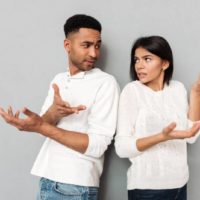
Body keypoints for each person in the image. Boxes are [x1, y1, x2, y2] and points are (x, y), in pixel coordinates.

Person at [0, 14, 119, 200]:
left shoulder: (106, 83)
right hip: (47, 177)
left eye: (97, 45)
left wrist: (42, 126)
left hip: (75, 186)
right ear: (67, 45)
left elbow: (98, 145)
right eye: (86, 45)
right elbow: (43, 125)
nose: (94, 53)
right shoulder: (59, 80)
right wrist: (51, 115)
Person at [115, 36, 200, 200]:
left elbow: (191, 136)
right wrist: (161, 137)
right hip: (148, 190)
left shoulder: (177, 89)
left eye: (147, 59)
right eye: (136, 60)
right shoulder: (132, 91)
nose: (139, 65)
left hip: (180, 186)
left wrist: (196, 93)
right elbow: (122, 147)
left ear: (165, 64)